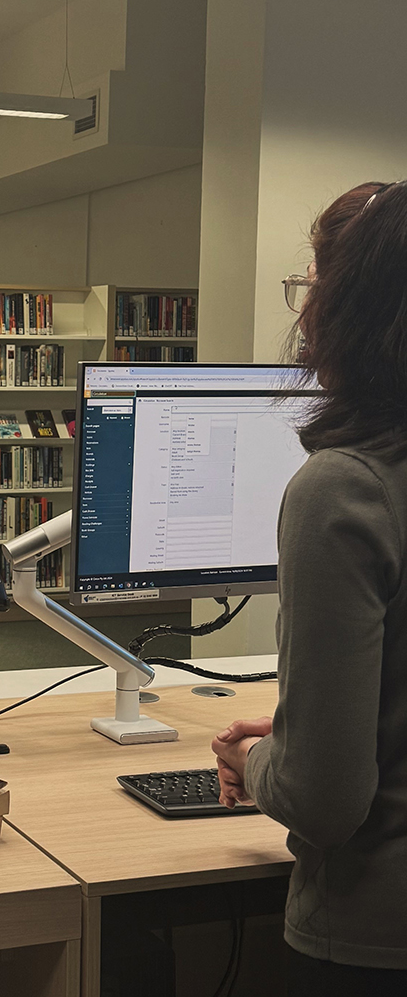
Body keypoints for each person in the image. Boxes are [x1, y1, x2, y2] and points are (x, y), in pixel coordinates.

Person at [213, 181, 407, 992]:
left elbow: (324, 799)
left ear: (350, 308)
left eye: (314, 285)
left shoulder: (346, 488)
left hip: (372, 930)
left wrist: (261, 755)